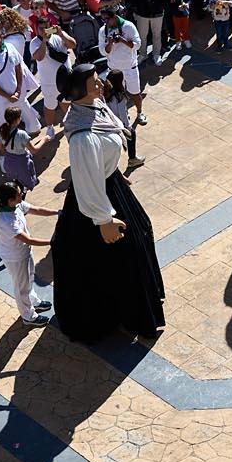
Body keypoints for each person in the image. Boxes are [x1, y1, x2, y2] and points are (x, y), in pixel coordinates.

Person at [49, 49, 165, 341]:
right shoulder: (83, 136)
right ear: (81, 91)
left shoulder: (95, 108)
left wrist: (116, 172)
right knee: (119, 259)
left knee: (141, 234)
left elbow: (105, 155)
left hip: (109, 183)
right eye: (94, 83)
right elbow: (86, 178)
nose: (100, 84)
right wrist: (104, 220)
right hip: (96, 201)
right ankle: (123, 316)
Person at [0, 180, 55, 326]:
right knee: (21, 287)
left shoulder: (16, 205)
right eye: (19, 194)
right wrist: (52, 242)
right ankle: (28, 316)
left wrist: (57, 212)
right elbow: (29, 240)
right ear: (10, 200)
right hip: (15, 258)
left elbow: (36, 210)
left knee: (29, 277)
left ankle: (33, 301)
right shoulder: (6, 221)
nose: (22, 195)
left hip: (24, 252)